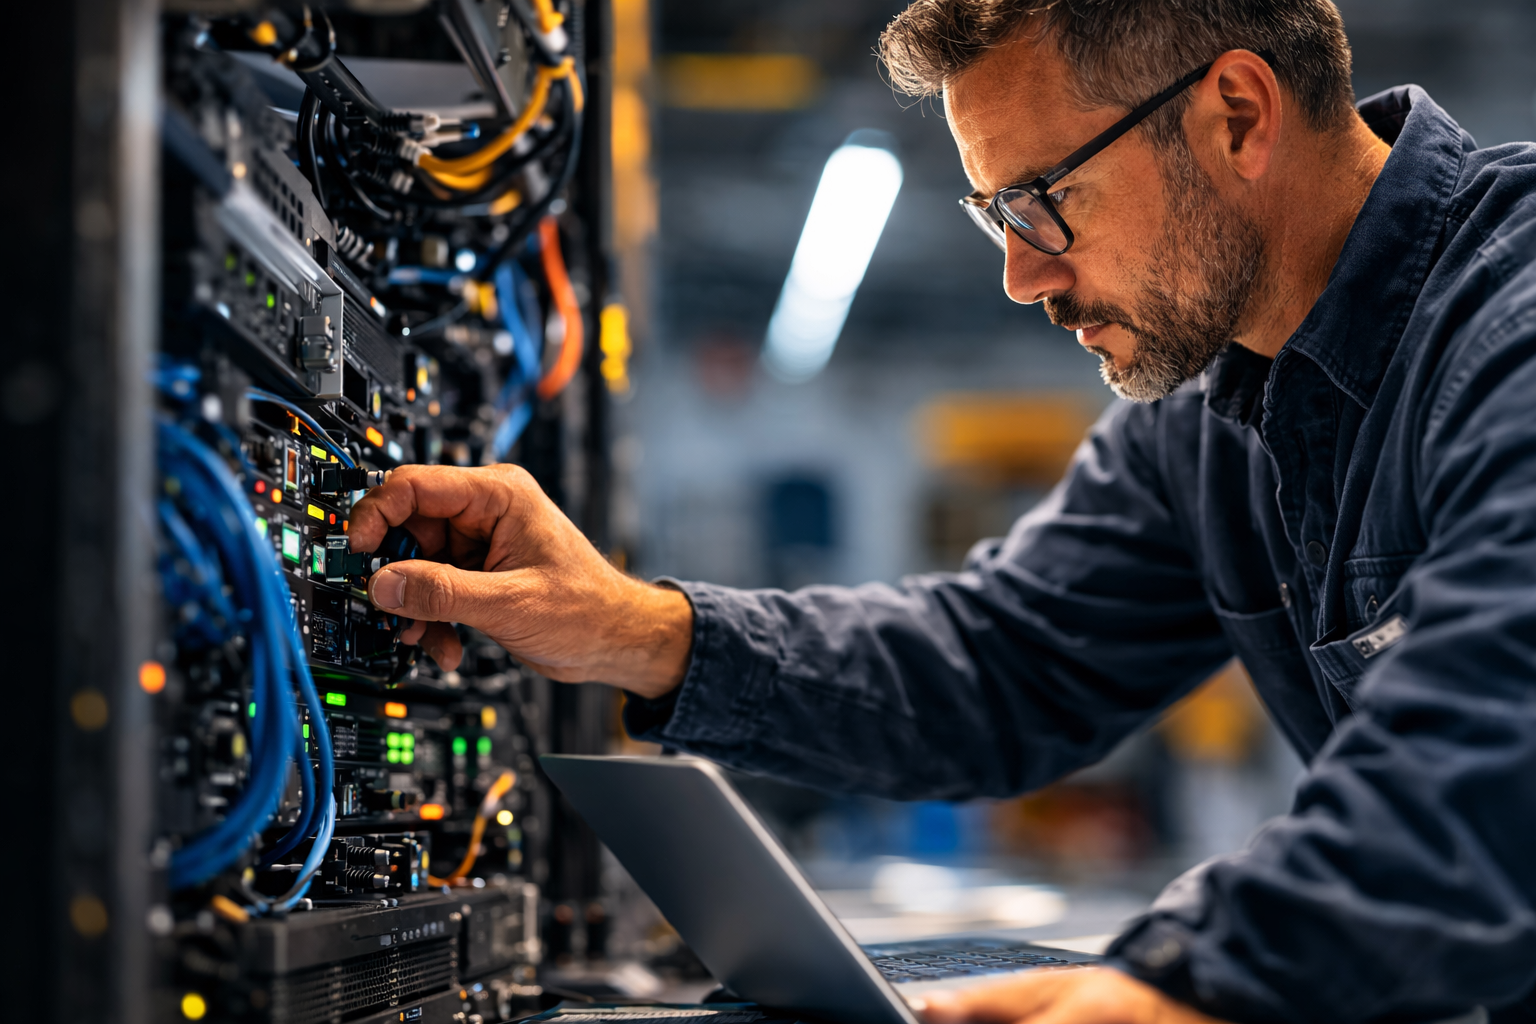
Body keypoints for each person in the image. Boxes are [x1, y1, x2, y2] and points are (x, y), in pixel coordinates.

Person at [349, 1, 1536, 1021]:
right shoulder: (1211, 412)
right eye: (994, 216)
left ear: (1236, 113)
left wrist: (1197, 977)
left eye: (1043, 201)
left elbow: (1498, 721)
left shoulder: (1509, 320)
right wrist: (635, 627)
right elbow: (1005, 657)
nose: (1022, 275)